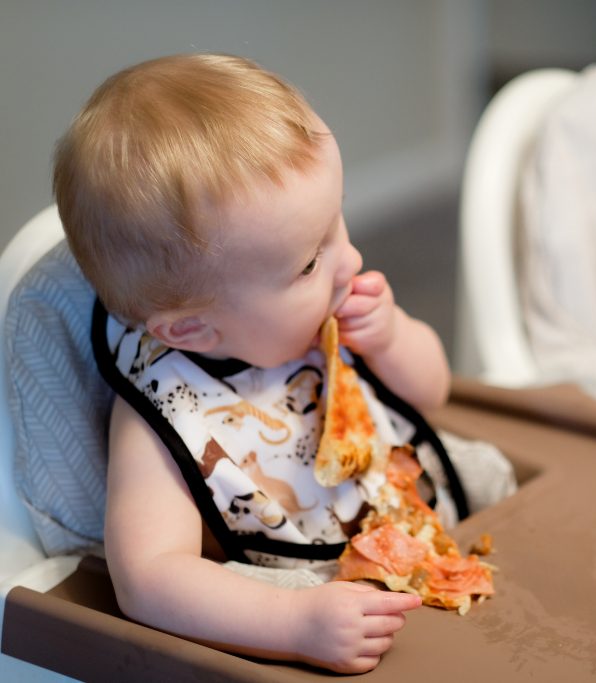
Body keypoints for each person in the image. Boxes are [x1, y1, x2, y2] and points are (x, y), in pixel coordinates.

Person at [51, 53, 501, 674]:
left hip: (423, 521)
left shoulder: (323, 320)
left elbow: (433, 393)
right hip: (318, 590)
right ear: (189, 328)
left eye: (336, 222)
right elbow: (149, 580)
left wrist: (392, 337)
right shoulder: (168, 410)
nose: (349, 261)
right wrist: (294, 623)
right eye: (310, 263)